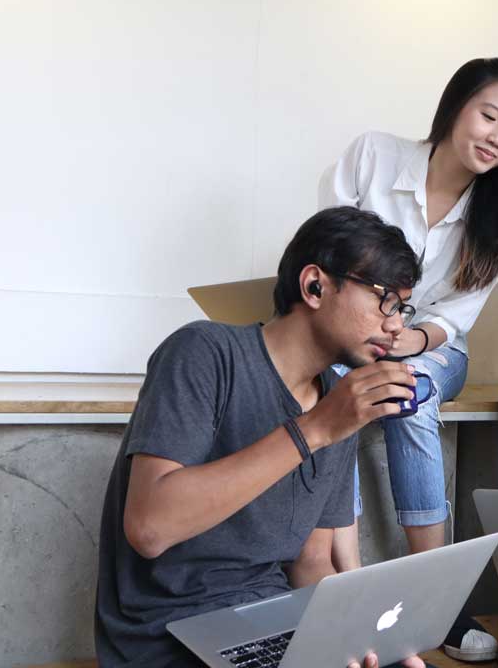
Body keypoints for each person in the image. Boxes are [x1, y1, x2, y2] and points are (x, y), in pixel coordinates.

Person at [94, 206, 427, 668]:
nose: (396, 326)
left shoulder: (337, 402)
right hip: (167, 638)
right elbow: (150, 528)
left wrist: (360, 637)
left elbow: (311, 563)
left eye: (402, 308)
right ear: (314, 286)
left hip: (270, 625)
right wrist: (315, 428)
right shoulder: (204, 353)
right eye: (384, 300)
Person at [318, 57, 498, 661]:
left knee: (409, 393)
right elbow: (323, 249)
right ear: (454, 107)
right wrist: (368, 335)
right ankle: (348, 584)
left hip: (434, 348)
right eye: (489, 116)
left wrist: (408, 343)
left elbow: (454, 319)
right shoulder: (373, 156)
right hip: (346, 338)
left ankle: (435, 599)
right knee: (329, 388)